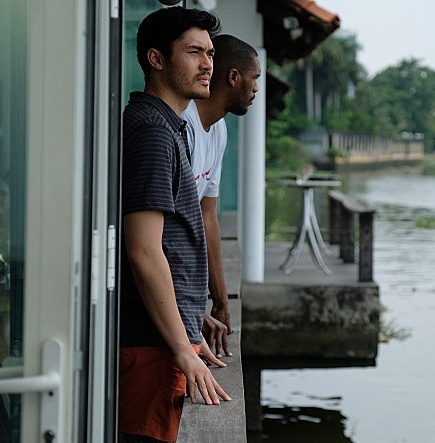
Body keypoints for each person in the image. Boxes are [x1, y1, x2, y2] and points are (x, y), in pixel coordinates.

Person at [119, 7, 230, 443]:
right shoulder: (152, 131)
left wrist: (190, 322)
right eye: (194, 52)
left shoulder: (169, 126)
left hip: (163, 338)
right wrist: (183, 348)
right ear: (156, 59)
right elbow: (144, 250)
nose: (207, 65)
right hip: (148, 343)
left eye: (210, 53)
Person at [182, 34, 261, 359]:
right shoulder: (183, 125)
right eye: (254, 78)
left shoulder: (218, 129)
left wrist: (221, 301)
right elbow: (164, 233)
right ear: (234, 77)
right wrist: (188, 311)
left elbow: (207, 216)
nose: (256, 88)